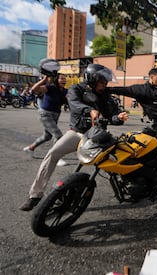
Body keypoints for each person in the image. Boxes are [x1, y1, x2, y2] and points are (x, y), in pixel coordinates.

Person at [19, 64, 129, 211]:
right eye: (102, 81)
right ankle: (35, 195)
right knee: (53, 153)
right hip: (77, 133)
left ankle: (127, 187)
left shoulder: (105, 95)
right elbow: (74, 103)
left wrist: (119, 117)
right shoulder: (76, 89)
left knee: (117, 160)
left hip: (95, 136)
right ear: (92, 79)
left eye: (105, 82)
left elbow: (112, 116)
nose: (105, 85)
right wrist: (90, 110)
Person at [23, 67, 68, 167]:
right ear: (56, 80)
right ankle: (56, 158)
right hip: (45, 114)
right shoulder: (50, 87)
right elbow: (34, 89)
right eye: (62, 78)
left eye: (65, 78)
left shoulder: (65, 91)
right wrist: (44, 80)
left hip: (56, 115)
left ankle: (30, 148)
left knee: (47, 136)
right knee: (58, 135)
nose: (64, 80)